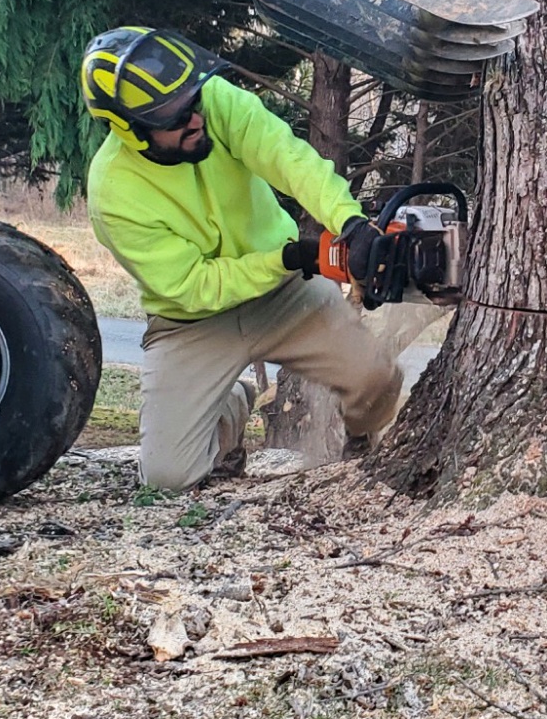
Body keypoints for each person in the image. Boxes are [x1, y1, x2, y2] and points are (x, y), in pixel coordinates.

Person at [79, 26, 402, 489]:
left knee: (377, 380)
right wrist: (290, 257)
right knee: (169, 477)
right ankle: (229, 405)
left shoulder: (215, 103)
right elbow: (194, 286)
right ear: (131, 130)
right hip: (191, 322)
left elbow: (287, 157)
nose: (195, 119)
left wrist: (349, 221)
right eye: (175, 117)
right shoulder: (112, 194)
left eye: (193, 102)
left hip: (284, 295)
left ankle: (360, 451)